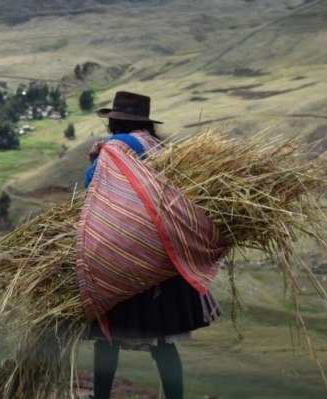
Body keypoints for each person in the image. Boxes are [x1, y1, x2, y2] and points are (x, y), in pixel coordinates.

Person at [81, 91, 222, 399]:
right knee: (163, 341)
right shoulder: (159, 147)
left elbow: (92, 183)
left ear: (114, 121)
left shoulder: (117, 146)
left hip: (125, 254)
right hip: (165, 255)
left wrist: (96, 160)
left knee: (108, 336)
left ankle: (100, 397)